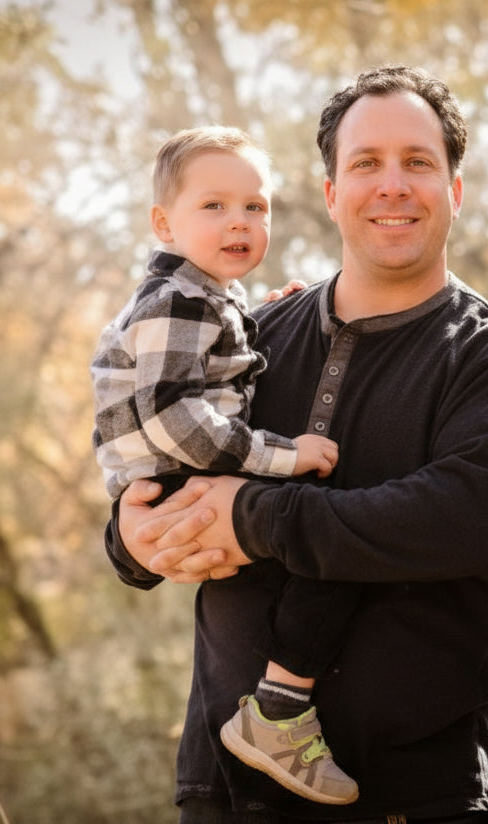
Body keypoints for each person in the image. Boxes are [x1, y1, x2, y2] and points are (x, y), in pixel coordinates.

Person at [102, 65, 488, 823]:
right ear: (329, 194)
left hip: (413, 799)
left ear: (453, 191)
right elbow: (164, 453)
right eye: (366, 164)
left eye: (418, 162)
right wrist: (131, 534)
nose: (392, 185)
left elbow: (462, 524)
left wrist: (253, 517)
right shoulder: (253, 337)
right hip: (224, 797)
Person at [91, 125, 360, 804]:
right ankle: (279, 710)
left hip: (173, 477)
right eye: (213, 206)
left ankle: (276, 709)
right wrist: (283, 455)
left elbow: (213, 372)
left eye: (256, 207)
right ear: (164, 223)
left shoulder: (210, 298)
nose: (239, 221)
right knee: (328, 542)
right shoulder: (178, 302)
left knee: (314, 553)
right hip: (178, 474)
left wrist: (265, 319)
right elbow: (176, 416)